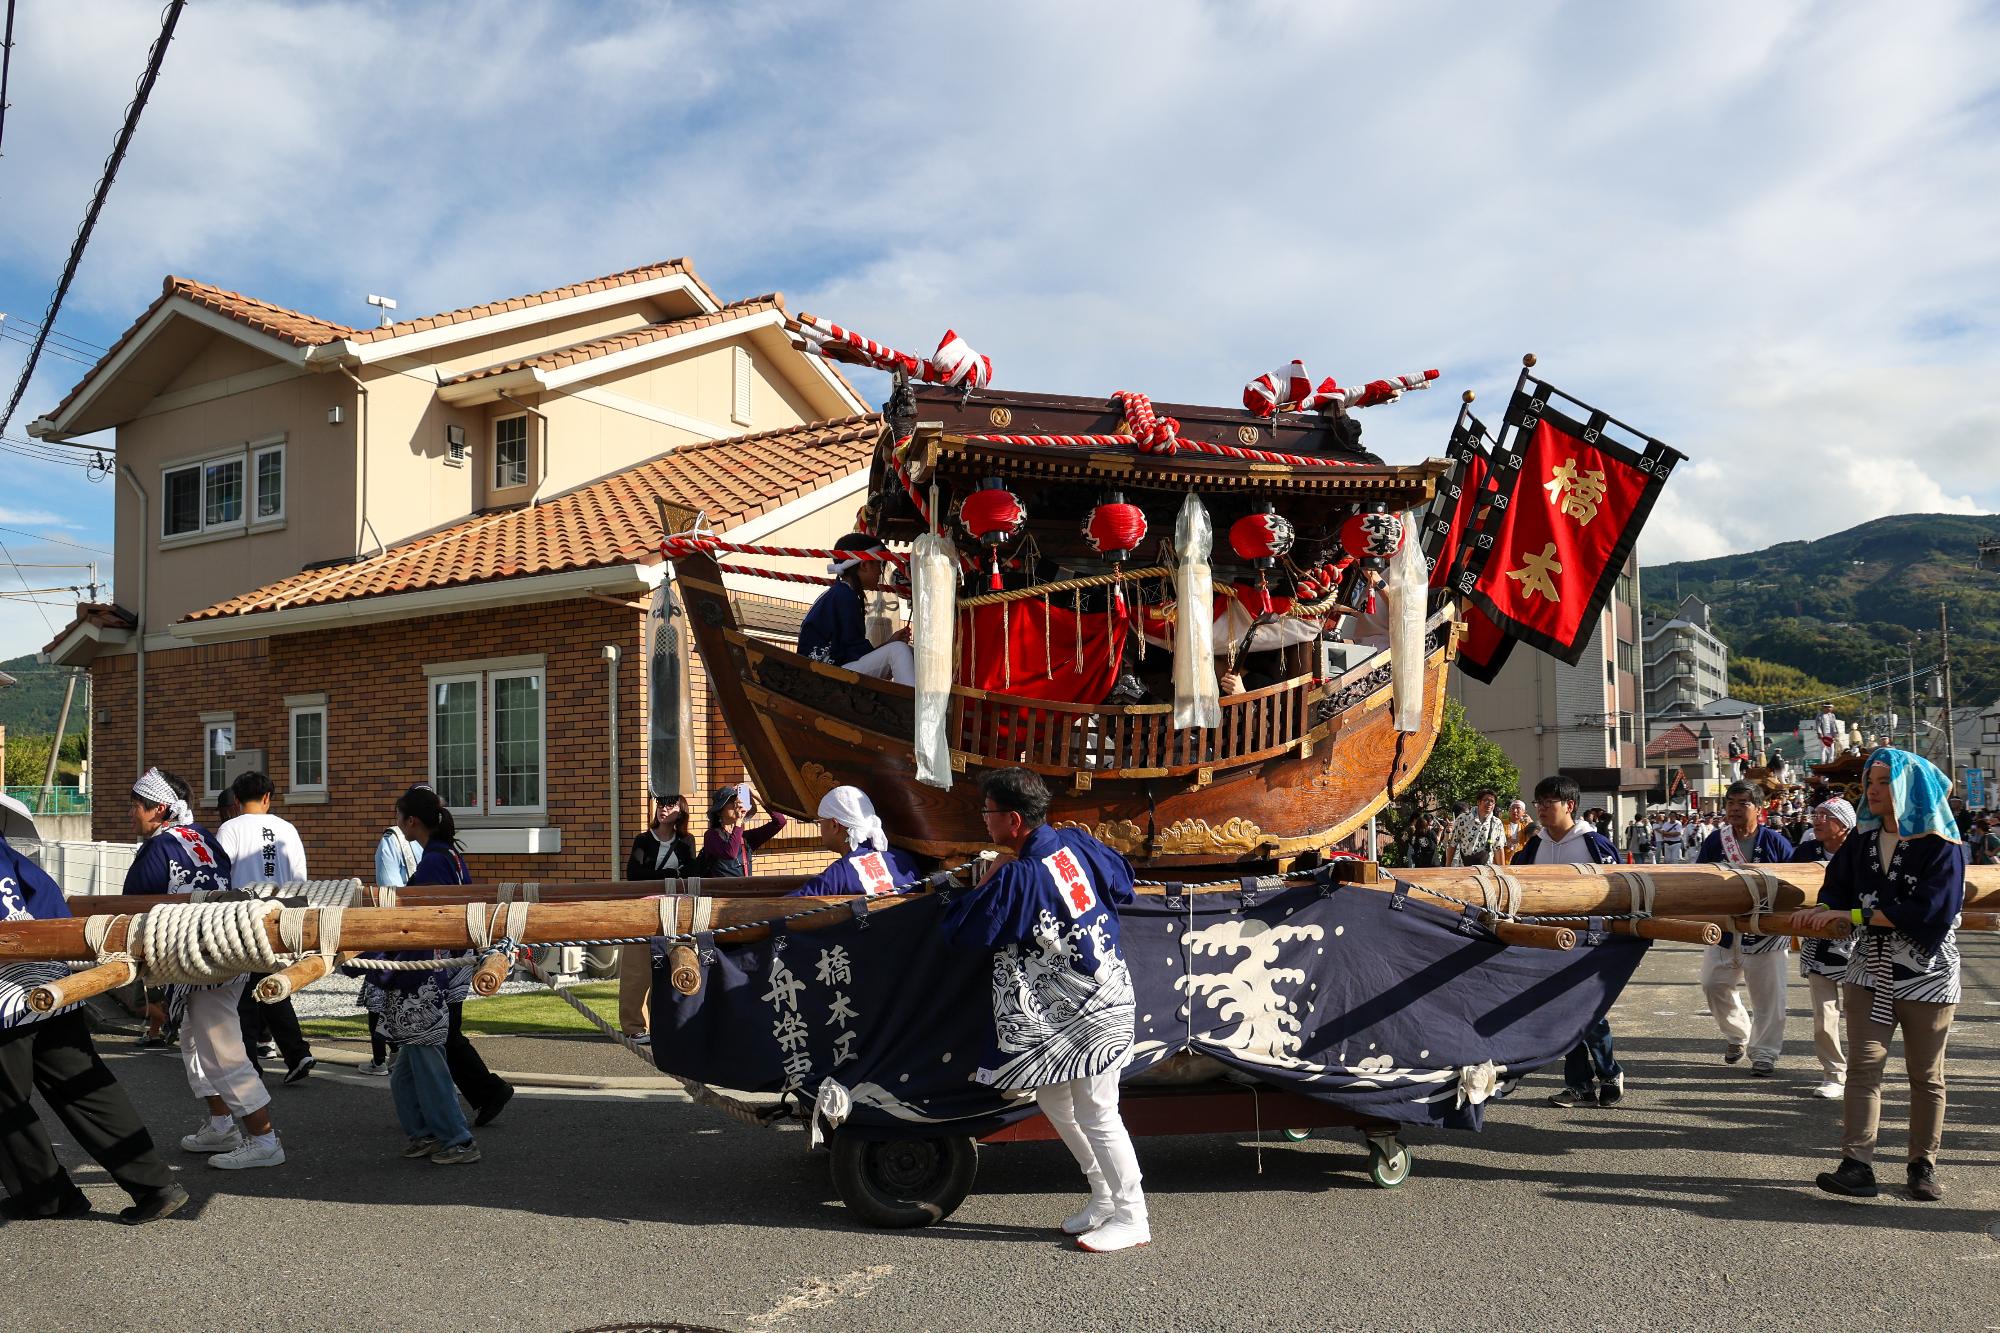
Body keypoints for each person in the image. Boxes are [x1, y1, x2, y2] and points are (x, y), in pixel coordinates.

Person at [941, 768, 1147, 1252]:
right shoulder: (1077, 844)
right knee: (1056, 1100)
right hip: (1079, 1003)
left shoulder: (1020, 874)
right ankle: (1102, 1197)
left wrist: (986, 877)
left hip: (1088, 1006)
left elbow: (966, 931)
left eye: (987, 812)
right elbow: (1123, 884)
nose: (983, 820)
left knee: (1098, 1109)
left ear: (1012, 820)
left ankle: (1133, 1215)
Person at [0, 828, 187, 1223]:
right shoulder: (8, 854)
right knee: (84, 1088)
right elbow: (53, 908)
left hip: (5, 996)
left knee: (6, 1105)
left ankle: (46, 1197)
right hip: (52, 983)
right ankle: (155, 1186)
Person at [1802, 750, 1965, 1203]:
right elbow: (1835, 884)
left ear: (1910, 789)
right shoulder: (1861, 839)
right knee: (1863, 1068)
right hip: (1867, 969)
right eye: (1869, 782)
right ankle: (1857, 1164)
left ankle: (1922, 1164)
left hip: (1927, 975)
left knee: (1925, 1075)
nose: (1871, 790)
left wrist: (1854, 913)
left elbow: (1931, 910)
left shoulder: (1941, 844)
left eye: (1881, 782)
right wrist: (1823, 908)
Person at [123, 768, 286, 1171]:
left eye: (136, 806)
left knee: (220, 1049)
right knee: (196, 1043)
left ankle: (264, 1139)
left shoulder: (160, 848)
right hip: (223, 952)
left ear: (158, 808)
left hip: (197, 960)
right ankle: (221, 1124)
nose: (132, 814)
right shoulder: (206, 839)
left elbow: (130, 907)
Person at [377, 786, 480, 1165]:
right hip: (442, 969)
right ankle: (424, 1133)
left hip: (424, 975)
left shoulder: (434, 862)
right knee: (408, 1064)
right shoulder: (449, 856)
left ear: (412, 821)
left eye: (399, 815)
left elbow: (415, 920)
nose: (397, 822)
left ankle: (456, 1138)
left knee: (426, 1056)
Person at [1519, 776, 1628, 1110]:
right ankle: (1580, 1085)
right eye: (1538, 802)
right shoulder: (1534, 847)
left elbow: (1619, 890)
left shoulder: (1594, 844)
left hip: (1590, 941)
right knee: (1564, 1013)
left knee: (1588, 1010)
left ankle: (1609, 1072)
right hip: (1547, 942)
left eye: (1548, 802)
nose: (1541, 809)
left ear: (1569, 805)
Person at [217, 771, 316, 1085]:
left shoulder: (229, 828)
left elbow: (220, 878)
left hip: (241, 918)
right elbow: (300, 879)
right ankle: (296, 1053)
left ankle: (251, 1066)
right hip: (280, 918)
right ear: (267, 797)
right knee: (271, 984)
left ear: (236, 799)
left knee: (243, 994)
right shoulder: (287, 829)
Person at [1695, 780, 1795, 1076]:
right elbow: (1699, 876)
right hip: (1726, 928)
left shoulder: (1776, 842)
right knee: (1713, 984)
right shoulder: (1716, 840)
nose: (1734, 809)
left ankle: (1765, 1052)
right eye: (1730, 803)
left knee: (1768, 996)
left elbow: (1793, 885)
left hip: (1767, 931)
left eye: (1743, 803)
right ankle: (1738, 1034)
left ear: (1760, 808)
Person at [1792, 797, 1856, 1100]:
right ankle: (1834, 1073)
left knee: (1861, 1012)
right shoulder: (1805, 852)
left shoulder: (1864, 850)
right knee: (1824, 1013)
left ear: (1843, 824)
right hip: (1819, 939)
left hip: (1860, 941)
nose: (1816, 820)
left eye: (1825, 816)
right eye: (1815, 814)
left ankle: (1862, 1072)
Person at [620, 795, 696, 1045]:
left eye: (670, 805)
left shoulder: (686, 842)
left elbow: (691, 872)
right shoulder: (643, 839)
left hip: (675, 912)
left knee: (668, 969)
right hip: (645, 910)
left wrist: (669, 877)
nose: (663, 810)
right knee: (637, 971)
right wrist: (667, 875)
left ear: (681, 811)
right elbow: (634, 873)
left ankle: (663, 1025)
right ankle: (633, 1027)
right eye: (661, 805)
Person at [796, 530, 914, 684]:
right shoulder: (845, 596)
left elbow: (854, 653)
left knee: (906, 651)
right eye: (878, 563)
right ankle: (910, 706)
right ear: (864, 565)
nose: (880, 571)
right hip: (826, 676)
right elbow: (856, 656)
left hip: (827, 672)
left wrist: (890, 643)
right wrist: (891, 645)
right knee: (899, 651)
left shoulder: (841, 593)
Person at [789, 787, 922, 897]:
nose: (820, 828)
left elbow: (785, 909)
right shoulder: (903, 860)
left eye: (820, 822)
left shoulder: (837, 876)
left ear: (834, 825)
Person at [698, 783, 789, 878]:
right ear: (719, 811)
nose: (737, 806)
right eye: (732, 802)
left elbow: (780, 822)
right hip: (722, 891)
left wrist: (756, 795)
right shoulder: (711, 835)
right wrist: (738, 821)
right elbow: (730, 852)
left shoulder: (745, 838)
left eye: (738, 802)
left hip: (744, 890)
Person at [1449, 789, 1505, 867]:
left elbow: (1499, 848)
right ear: (1478, 802)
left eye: (1492, 801)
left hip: (1486, 870)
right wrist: (1447, 866)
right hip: (1464, 867)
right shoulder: (1463, 819)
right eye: (1486, 800)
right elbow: (1452, 844)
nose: (1489, 803)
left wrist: (1502, 871)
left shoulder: (1497, 823)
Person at [1500, 800, 1535, 865]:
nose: (1515, 811)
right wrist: (1505, 842)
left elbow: (1535, 837)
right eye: (1512, 808)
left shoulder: (1526, 825)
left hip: (1520, 862)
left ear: (1524, 812)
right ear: (1509, 811)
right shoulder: (1501, 824)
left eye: (1518, 808)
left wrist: (1531, 823)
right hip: (1503, 861)